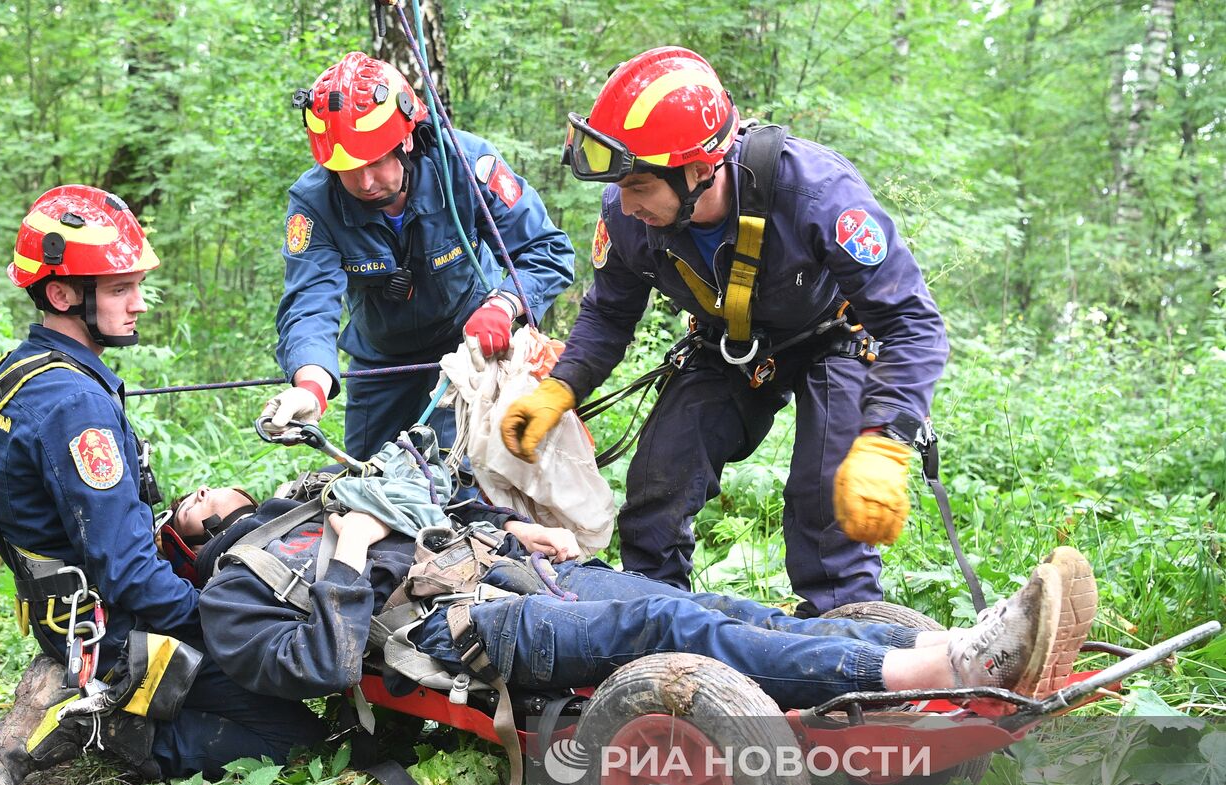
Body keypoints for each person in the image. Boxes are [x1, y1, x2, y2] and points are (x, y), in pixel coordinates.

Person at [500, 47, 950, 617]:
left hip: (833, 337)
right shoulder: (626, 214)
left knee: (827, 501)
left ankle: (847, 645)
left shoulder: (817, 193)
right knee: (658, 484)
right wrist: (561, 388)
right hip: (727, 347)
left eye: (639, 186)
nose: (625, 203)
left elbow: (912, 323)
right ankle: (653, 626)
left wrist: (887, 437)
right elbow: (610, 313)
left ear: (698, 168)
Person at [0, 185, 323, 785]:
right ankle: (116, 727)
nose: (138, 303)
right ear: (62, 294)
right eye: (118, 289)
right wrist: (225, 624)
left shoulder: (20, 373)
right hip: (114, 632)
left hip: (69, 619)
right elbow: (129, 574)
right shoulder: (76, 405)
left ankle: (74, 677)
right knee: (302, 738)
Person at [183, 483, 1095, 722]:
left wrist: (506, 531)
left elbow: (435, 517)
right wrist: (345, 564)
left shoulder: (313, 504)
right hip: (458, 637)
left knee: (714, 602)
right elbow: (322, 668)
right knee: (668, 628)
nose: (211, 492)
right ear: (192, 542)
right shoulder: (234, 593)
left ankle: (927, 655)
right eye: (191, 504)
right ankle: (935, 667)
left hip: (506, 576)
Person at [262, 51, 575, 459]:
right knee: (368, 484)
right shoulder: (314, 202)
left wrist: (504, 304)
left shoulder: (464, 165)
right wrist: (312, 385)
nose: (365, 182)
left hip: (466, 353)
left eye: (375, 162)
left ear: (405, 139)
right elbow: (309, 302)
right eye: (346, 168)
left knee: (455, 485)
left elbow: (546, 250)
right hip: (380, 363)